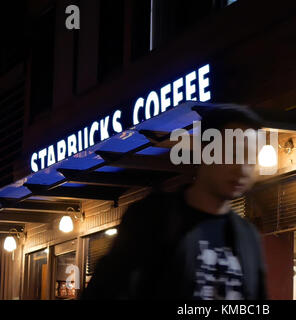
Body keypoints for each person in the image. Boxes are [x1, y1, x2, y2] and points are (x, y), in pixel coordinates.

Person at [82, 104, 267, 300]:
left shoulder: (248, 237)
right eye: (234, 154)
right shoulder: (153, 218)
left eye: (251, 157)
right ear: (205, 149)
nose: (243, 168)